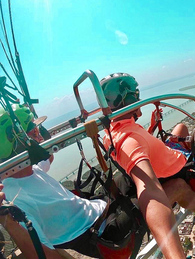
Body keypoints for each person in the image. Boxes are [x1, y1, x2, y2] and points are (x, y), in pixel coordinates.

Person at [101, 73, 195, 259]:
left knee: (181, 128)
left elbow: (138, 143)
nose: (138, 100)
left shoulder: (111, 132)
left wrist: (152, 128)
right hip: (184, 170)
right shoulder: (130, 142)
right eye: (135, 97)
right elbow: (150, 188)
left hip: (166, 159)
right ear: (129, 100)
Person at [0, 105, 132, 258]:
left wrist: (77, 121)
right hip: (99, 232)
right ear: (17, 142)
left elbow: (49, 156)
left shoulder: (29, 171)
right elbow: (42, 255)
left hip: (96, 212)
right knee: (141, 187)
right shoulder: (16, 200)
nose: (39, 136)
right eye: (34, 132)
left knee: (124, 178)